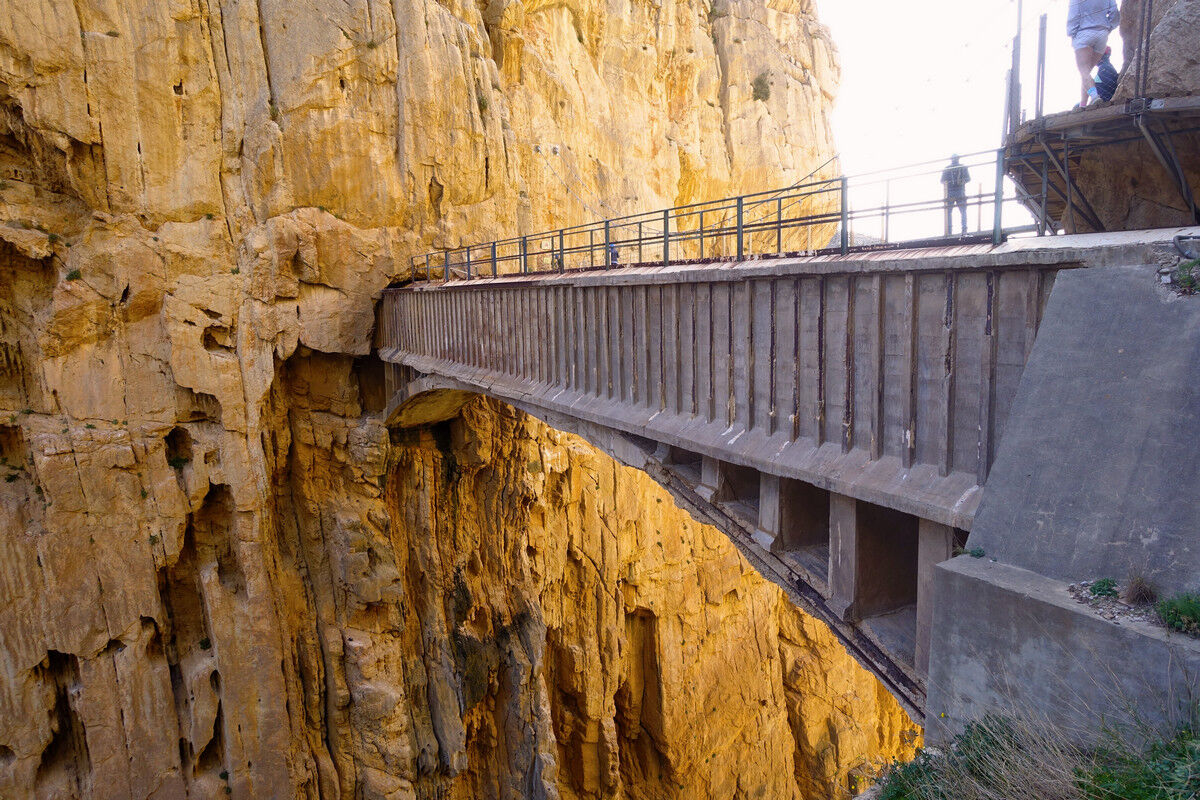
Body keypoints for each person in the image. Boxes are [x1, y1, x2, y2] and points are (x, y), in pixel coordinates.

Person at [1068, 0, 1120, 109]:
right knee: (1088, 72)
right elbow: (1115, 13)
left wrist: (1073, 35)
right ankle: (1083, 104)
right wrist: (1108, 27)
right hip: (1102, 34)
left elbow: (1073, 17)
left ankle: (1094, 96)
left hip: (1083, 33)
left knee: (1084, 72)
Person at [941, 155, 970, 236]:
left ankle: (961, 230)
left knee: (959, 211)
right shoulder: (948, 168)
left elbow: (968, 178)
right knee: (952, 212)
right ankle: (951, 231)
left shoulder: (962, 167)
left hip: (958, 191)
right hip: (952, 191)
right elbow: (942, 180)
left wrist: (962, 181)